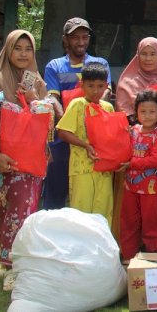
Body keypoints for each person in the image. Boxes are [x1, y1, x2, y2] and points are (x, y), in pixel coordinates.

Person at [0, 30, 52, 290]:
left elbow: (47, 124)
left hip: (31, 158)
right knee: (5, 212)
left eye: (28, 48)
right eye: (18, 48)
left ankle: (17, 266)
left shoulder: (35, 80)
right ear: (8, 50)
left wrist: (33, 99)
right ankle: (7, 263)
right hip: (1, 157)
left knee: (24, 212)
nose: (24, 54)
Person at [42, 17, 111, 210]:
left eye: (84, 37)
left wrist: (91, 121)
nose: (81, 42)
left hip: (94, 138)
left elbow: (106, 93)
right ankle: (52, 232)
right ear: (65, 39)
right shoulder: (54, 66)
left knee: (91, 193)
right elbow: (53, 97)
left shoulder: (100, 63)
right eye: (75, 38)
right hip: (63, 137)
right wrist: (69, 121)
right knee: (56, 190)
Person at [112, 37, 157, 240]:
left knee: (154, 207)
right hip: (131, 146)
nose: (148, 58)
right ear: (137, 56)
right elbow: (122, 116)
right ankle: (129, 248)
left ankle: (156, 246)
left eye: (153, 54)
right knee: (129, 207)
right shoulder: (127, 82)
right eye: (144, 54)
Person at [56, 62, 116, 226]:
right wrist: (85, 145)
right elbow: (62, 131)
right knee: (81, 214)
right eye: (91, 86)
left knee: (103, 213)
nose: (96, 91)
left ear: (106, 86)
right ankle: (79, 250)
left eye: (100, 86)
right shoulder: (77, 104)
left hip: (104, 170)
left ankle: (101, 250)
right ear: (82, 84)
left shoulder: (108, 107)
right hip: (81, 169)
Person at [118, 90, 157, 262]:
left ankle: (153, 259)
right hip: (130, 186)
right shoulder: (132, 131)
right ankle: (128, 257)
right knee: (128, 222)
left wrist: (131, 163)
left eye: (152, 111)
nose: (147, 116)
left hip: (151, 189)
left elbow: (155, 160)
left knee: (151, 225)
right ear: (136, 112)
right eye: (143, 111)